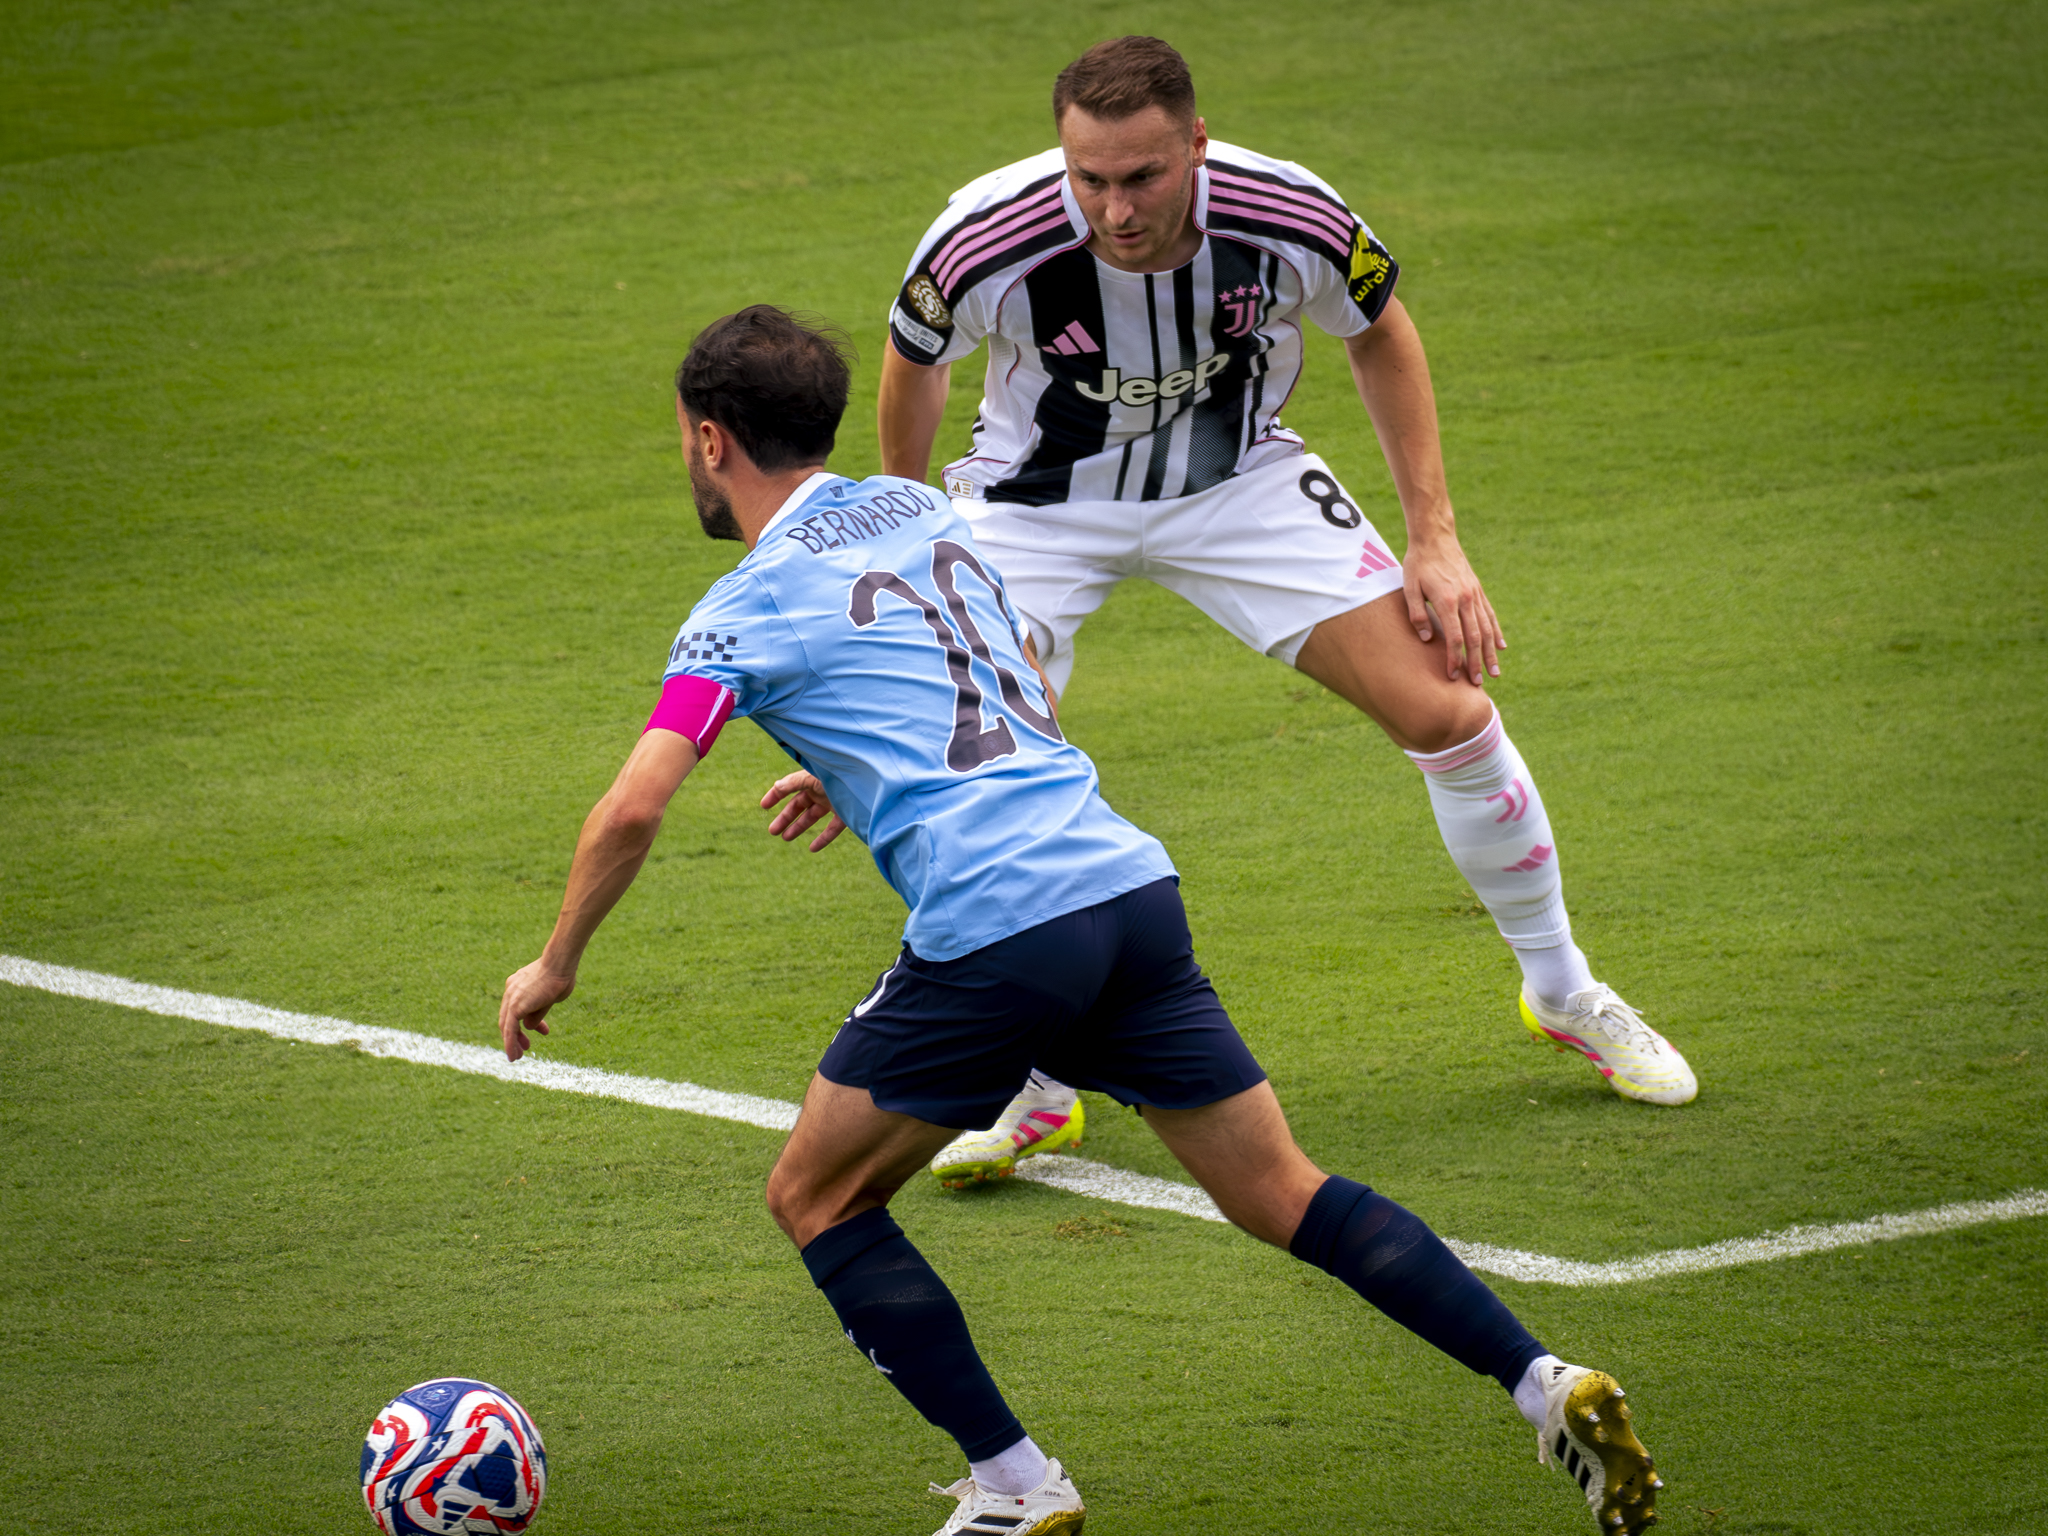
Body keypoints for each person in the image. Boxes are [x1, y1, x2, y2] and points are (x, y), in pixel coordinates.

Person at [498, 306, 1664, 1536]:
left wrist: (553, 962)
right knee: (1282, 1190)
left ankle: (1015, 1486)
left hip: (997, 925)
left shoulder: (736, 611)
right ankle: (1542, 1383)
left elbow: (633, 808)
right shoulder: (924, 510)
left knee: (817, 1198)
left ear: (709, 439)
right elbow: (1001, 674)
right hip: (1122, 890)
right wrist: (857, 761)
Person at [878, 36, 1697, 1191]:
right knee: (986, 767)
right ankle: (1035, 1082)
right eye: (1088, 178)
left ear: (1195, 146)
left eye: (1142, 177)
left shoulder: (1286, 212)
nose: (1114, 210)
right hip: (1034, 507)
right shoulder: (984, 235)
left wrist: (1434, 538)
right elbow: (911, 364)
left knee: (1448, 710)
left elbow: (1378, 331)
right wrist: (916, 541)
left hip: (1237, 485)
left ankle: (1562, 991)